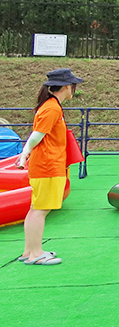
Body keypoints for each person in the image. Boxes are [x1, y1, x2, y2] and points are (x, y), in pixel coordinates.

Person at [17, 68, 84, 266]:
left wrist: (25, 155)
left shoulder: (50, 106)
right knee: (40, 210)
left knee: (35, 208)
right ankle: (35, 253)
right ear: (65, 87)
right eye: (73, 85)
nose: (74, 89)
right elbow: (37, 135)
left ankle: (30, 251)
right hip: (48, 166)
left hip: (45, 165)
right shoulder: (52, 108)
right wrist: (24, 154)